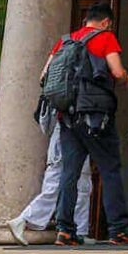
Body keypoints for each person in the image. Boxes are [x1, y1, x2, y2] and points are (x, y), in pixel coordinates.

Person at [50, 2, 128, 247]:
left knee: (69, 172)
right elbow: (116, 70)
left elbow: (44, 75)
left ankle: (65, 230)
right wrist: (126, 79)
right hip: (95, 116)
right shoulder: (106, 38)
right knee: (110, 169)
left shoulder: (65, 41)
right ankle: (118, 229)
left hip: (67, 117)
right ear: (105, 22)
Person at [10, 100, 90, 245]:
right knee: (70, 186)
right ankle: (25, 219)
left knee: (69, 186)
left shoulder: (53, 81)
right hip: (72, 134)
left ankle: (77, 231)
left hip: (61, 135)